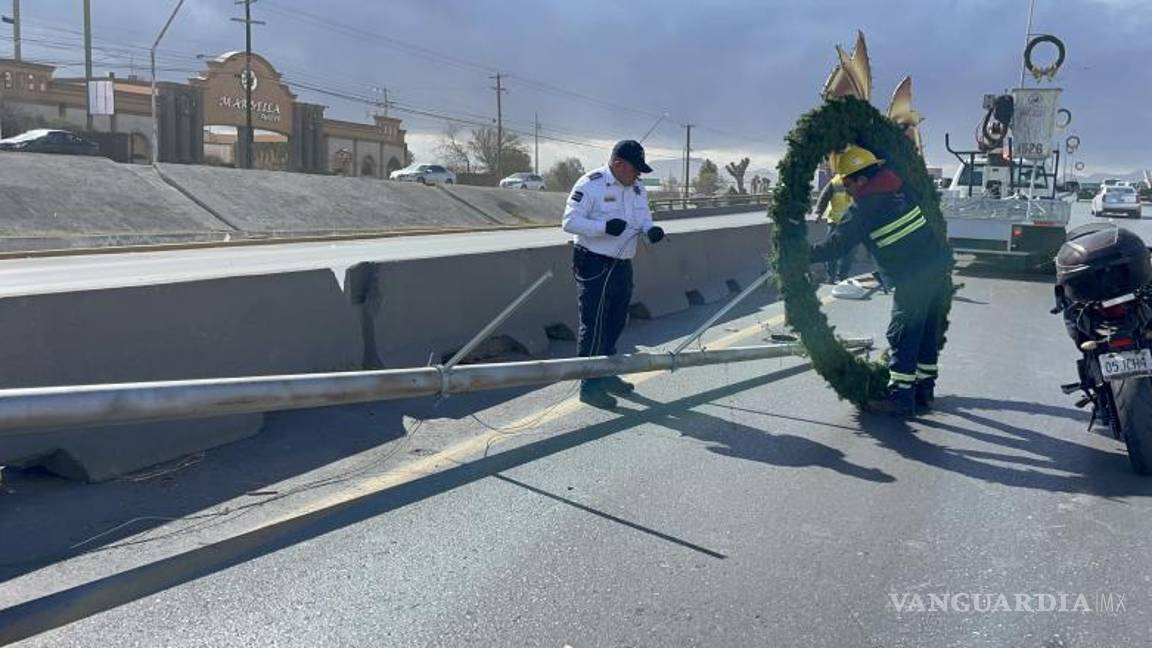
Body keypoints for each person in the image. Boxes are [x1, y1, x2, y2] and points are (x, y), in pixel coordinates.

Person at [809, 145, 951, 416]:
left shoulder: (865, 207)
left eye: (848, 184)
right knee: (925, 333)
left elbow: (838, 245)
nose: (847, 190)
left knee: (903, 333)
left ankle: (900, 399)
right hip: (936, 269)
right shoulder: (901, 189)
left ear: (862, 179)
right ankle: (924, 391)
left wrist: (802, 255)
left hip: (913, 277)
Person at [562, 140, 665, 408]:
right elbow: (569, 222)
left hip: (622, 263)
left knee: (616, 321)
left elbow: (643, 219)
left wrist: (650, 231)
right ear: (618, 165)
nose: (638, 176)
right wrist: (603, 227)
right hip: (593, 263)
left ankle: (606, 374)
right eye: (634, 170)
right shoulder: (590, 184)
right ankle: (589, 385)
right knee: (593, 323)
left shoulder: (637, 189)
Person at [814, 173, 856, 283]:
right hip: (835, 221)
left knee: (849, 252)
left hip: (851, 222)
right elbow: (824, 197)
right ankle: (831, 277)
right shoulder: (835, 182)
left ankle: (843, 275)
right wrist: (819, 213)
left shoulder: (859, 180)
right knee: (830, 249)